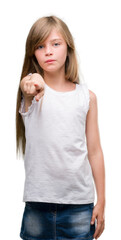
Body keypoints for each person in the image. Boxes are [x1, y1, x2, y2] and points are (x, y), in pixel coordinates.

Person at [16, 15, 105, 240]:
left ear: (68, 48)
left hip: (79, 205)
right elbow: (29, 86)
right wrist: (30, 86)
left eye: (56, 44)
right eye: (40, 46)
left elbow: (94, 151)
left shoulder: (87, 98)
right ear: (33, 53)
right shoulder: (33, 91)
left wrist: (102, 200)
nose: (48, 51)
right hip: (38, 205)